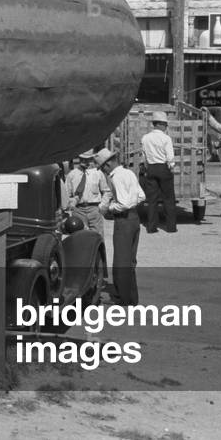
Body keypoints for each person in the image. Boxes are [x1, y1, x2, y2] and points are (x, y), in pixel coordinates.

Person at [95, 148, 145, 306]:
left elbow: (122, 203)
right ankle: (131, 297)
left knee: (121, 261)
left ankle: (123, 298)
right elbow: (141, 195)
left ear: (108, 164)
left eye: (103, 167)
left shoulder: (115, 177)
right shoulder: (128, 173)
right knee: (129, 260)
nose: (103, 170)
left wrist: (109, 208)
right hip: (134, 218)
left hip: (124, 220)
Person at [140, 110, 177, 233]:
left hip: (151, 168)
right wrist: (172, 167)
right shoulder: (166, 138)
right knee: (168, 199)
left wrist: (146, 168)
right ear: (160, 124)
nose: (166, 127)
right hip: (163, 168)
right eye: (165, 124)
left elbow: (144, 156)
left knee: (152, 200)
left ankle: (151, 227)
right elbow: (170, 157)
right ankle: (171, 227)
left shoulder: (145, 138)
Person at [63, 149, 110, 240]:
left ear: (91, 159)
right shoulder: (72, 175)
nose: (84, 161)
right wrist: (70, 205)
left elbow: (106, 191)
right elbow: (66, 195)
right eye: (82, 158)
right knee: (79, 237)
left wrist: (102, 207)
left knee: (97, 236)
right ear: (79, 158)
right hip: (78, 210)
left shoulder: (97, 173)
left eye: (87, 159)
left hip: (94, 209)